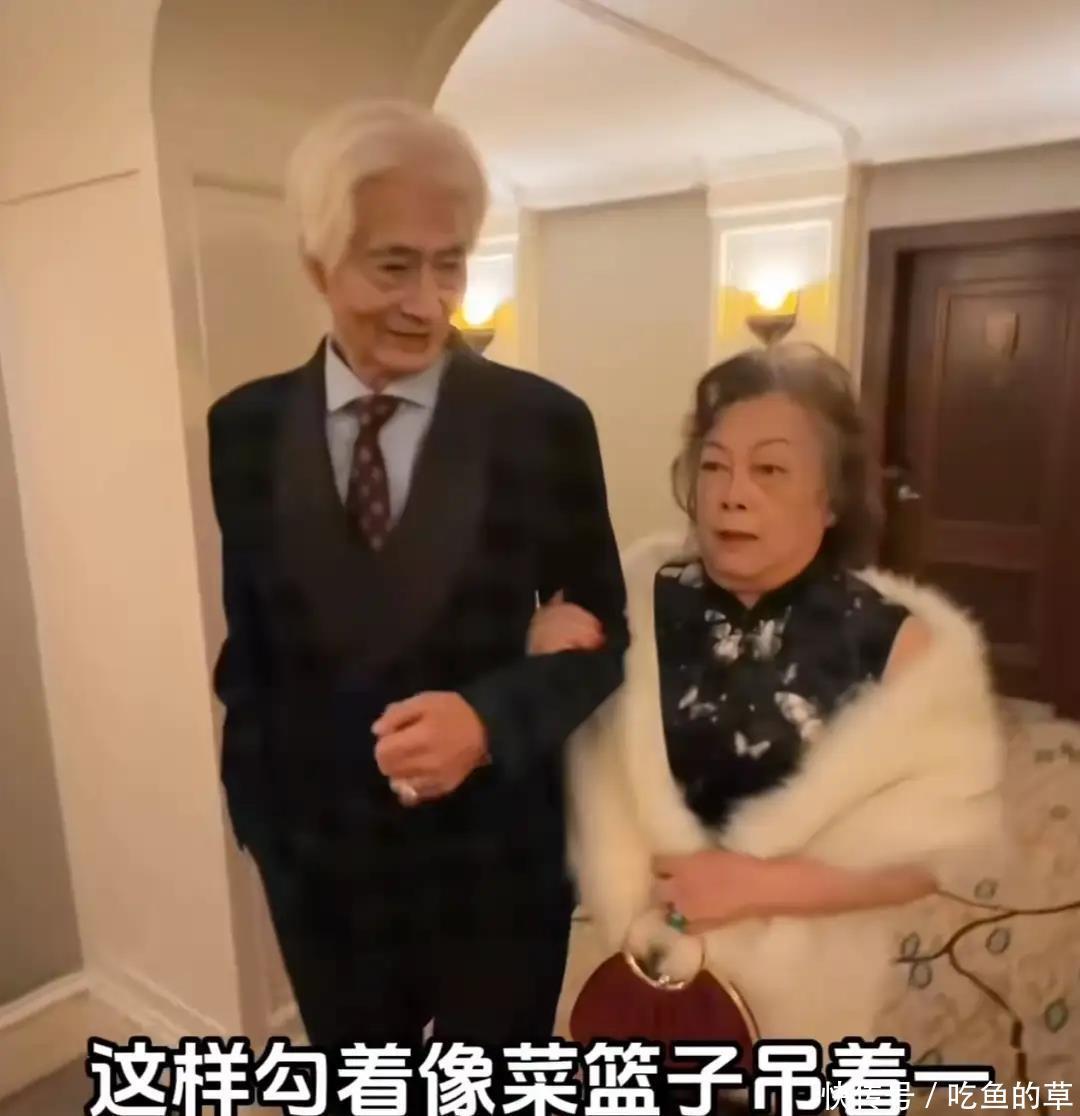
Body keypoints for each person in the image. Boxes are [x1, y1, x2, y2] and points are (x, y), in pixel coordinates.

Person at [207, 98, 627, 1049]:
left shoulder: (544, 425)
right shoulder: (242, 429)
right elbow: (255, 643)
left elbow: (607, 638)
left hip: (497, 870)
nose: (428, 303)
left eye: (450, 265)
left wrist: (488, 718)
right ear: (317, 264)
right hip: (318, 870)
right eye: (393, 266)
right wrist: (262, 817)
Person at [530, 342, 1005, 1050]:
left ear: (831, 497)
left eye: (770, 470)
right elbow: (544, 770)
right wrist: (538, 659)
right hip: (641, 987)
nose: (732, 493)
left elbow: (928, 856)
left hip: (805, 1003)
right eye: (714, 465)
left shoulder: (909, 648)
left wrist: (757, 885)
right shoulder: (629, 603)